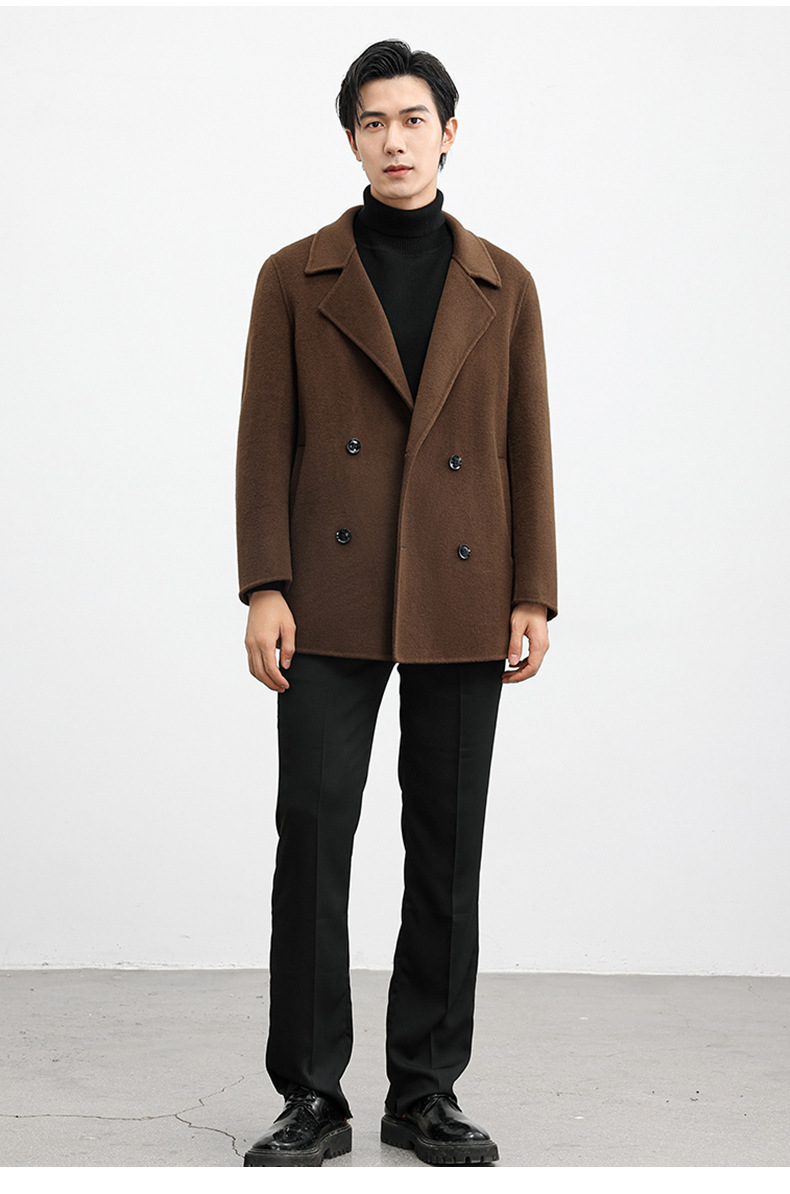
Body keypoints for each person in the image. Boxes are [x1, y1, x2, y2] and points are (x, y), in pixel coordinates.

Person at [235, 39, 557, 1167]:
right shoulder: (294, 275)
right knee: (314, 838)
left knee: (446, 845)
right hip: (326, 591)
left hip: (465, 587)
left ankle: (424, 1091)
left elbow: (525, 446)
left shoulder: (503, 283)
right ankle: (309, 1095)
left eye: (414, 119)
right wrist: (265, 584)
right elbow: (264, 440)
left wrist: (532, 590)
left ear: (448, 133)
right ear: (352, 139)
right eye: (373, 122)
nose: (395, 140)